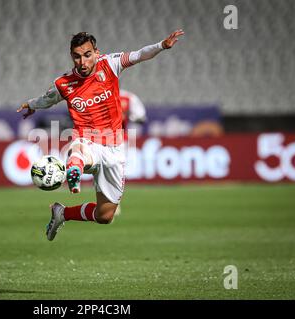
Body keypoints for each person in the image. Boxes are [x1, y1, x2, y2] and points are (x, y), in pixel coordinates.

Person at [17, 30, 184, 241]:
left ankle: (62, 212)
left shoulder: (111, 64)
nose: (82, 61)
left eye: (87, 54)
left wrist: (162, 45)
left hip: (114, 149)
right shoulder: (64, 83)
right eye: (77, 56)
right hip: (88, 141)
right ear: (71, 57)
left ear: (97, 53)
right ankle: (74, 171)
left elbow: (140, 54)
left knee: (105, 216)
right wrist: (31, 105)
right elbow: (47, 99)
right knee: (79, 149)